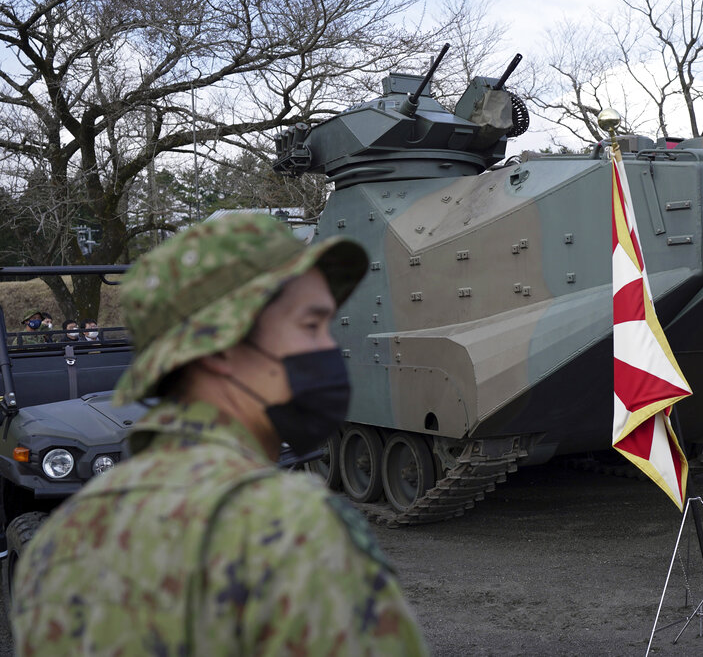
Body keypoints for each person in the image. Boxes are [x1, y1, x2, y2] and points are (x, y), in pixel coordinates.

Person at [11, 213, 428, 655]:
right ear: (221, 350)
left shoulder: (60, 545)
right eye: (309, 326)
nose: (328, 348)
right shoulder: (292, 532)